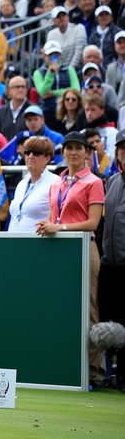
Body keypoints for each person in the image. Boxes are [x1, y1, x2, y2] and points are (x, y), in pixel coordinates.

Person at [36, 131, 104, 386]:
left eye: (78, 148)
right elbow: (56, 217)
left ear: (86, 152)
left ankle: (92, 371)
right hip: (61, 249)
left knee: (88, 309)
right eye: (69, 148)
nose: (73, 152)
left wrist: (59, 228)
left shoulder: (93, 182)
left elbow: (93, 222)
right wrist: (49, 225)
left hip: (85, 247)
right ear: (62, 152)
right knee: (59, 307)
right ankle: (63, 365)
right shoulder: (58, 182)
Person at [99, 129, 125, 388]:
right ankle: (116, 376)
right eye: (122, 148)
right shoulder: (112, 181)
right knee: (112, 324)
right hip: (111, 266)